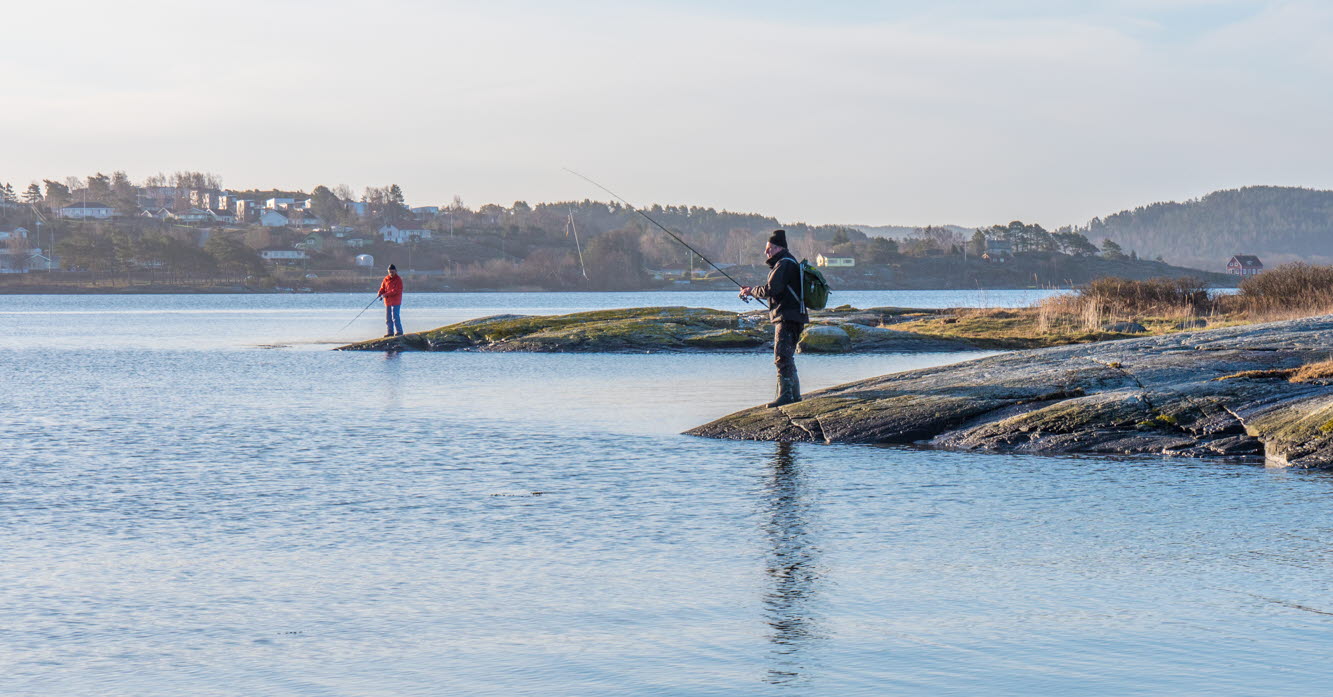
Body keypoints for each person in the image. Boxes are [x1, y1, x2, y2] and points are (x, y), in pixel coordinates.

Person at [739, 229, 808, 408]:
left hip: (787, 317)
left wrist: (752, 291)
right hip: (794, 316)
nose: (766, 252)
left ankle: (786, 396)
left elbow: (772, 289)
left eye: (769, 249)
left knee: (781, 357)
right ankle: (794, 395)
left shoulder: (784, 264)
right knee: (787, 356)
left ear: (778, 248)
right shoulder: (788, 262)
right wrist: (753, 291)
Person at [377, 264, 404, 337]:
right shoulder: (386, 279)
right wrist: (380, 293)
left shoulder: (398, 280)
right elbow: (382, 288)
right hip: (387, 302)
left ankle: (399, 332)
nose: (391, 274)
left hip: (396, 302)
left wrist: (385, 294)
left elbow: (395, 291)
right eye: (390, 272)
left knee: (395, 317)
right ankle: (390, 332)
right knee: (388, 318)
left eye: (392, 272)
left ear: (395, 271)